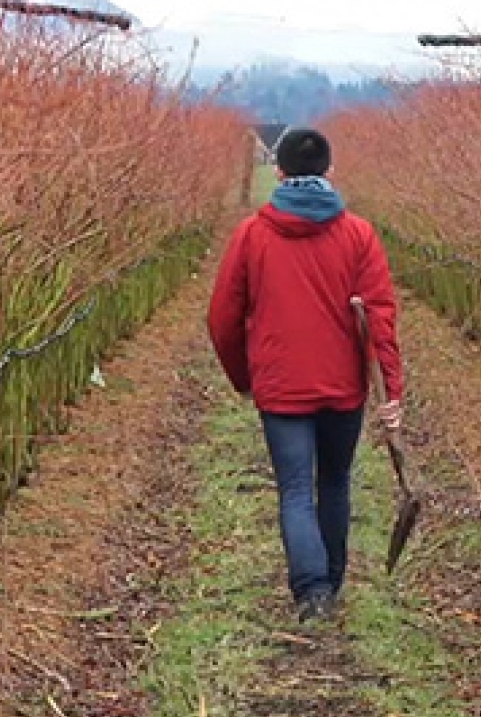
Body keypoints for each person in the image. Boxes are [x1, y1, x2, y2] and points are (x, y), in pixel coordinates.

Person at [207, 127, 404, 623]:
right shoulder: (358, 234)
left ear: (279, 171)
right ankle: (331, 580)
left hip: (281, 386)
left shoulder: (252, 235)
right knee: (335, 481)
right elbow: (380, 317)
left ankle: (312, 591)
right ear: (329, 171)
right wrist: (391, 391)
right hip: (342, 387)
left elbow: (222, 318)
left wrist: (243, 374)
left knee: (295, 488)